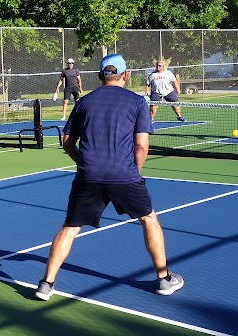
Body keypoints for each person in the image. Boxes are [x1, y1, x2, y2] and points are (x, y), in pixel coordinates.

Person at [35, 54, 184, 300]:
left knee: (70, 227)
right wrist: (133, 172)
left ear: (99, 77)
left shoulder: (83, 103)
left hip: (88, 176)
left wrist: (84, 163)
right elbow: (142, 147)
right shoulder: (137, 102)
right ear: (126, 76)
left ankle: (45, 284)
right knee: (149, 219)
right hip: (124, 175)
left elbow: (66, 142)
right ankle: (164, 279)